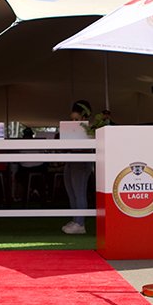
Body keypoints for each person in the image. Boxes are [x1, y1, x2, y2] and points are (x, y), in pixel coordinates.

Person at [62, 99, 94, 235]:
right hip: (70, 159)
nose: (73, 122)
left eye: (76, 119)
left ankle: (80, 223)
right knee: (71, 192)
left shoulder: (91, 129)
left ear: (84, 116)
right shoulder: (72, 129)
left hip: (81, 162)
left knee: (79, 192)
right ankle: (76, 219)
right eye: (72, 120)